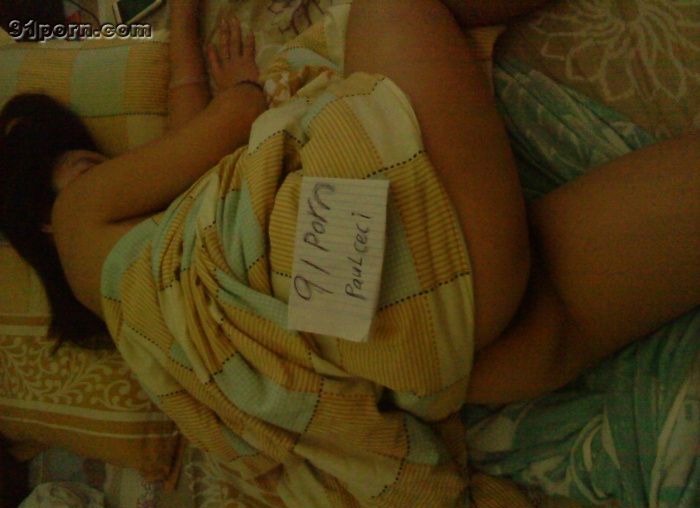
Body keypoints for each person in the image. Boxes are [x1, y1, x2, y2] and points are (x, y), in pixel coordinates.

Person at [0, 0, 698, 407]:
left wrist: (182, 18)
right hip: (394, 252)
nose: (97, 168)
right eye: (77, 165)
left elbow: (182, 133)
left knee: (553, 304)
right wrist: (241, 89)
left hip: (419, 361)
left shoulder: (142, 295)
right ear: (42, 219)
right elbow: (223, 124)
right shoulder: (79, 215)